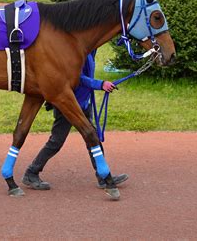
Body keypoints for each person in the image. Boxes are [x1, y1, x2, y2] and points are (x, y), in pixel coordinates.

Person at [22, 50, 129, 190]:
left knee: (93, 138)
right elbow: (78, 77)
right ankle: (31, 172)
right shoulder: (75, 51)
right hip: (68, 105)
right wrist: (100, 84)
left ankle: (103, 176)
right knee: (56, 141)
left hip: (82, 103)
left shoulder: (90, 49)